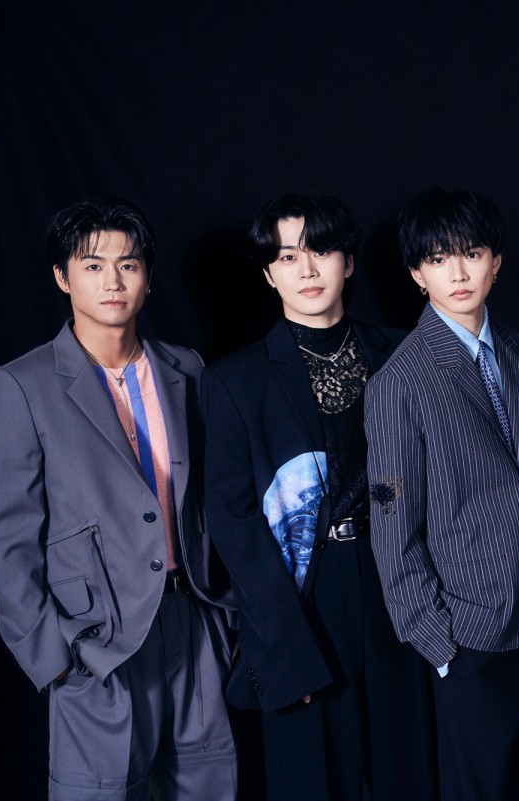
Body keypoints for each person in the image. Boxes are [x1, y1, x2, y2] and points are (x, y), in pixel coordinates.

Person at [0, 198, 238, 800]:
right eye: (93, 266)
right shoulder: (20, 385)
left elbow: (211, 500)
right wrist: (54, 655)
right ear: (62, 278)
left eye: (129, 264)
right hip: (96, 636)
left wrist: (224, 619)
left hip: (192, 617)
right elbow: (7, 533)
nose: (113, 281)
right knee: (99, 790)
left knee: (207, 786)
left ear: (147, 277)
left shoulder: (187, 368)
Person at [199, 191, 436, 801]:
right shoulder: (235, 379)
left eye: (322, 250)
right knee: (312, 779)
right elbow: (233, 523)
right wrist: (284, 649)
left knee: (410, 774)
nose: (306, 269)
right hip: (304, 598)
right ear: (268, 274)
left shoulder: (404, 352)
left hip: (397, 583)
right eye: (287, 257)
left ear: (348, 262)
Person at [365, 187, 519, 801]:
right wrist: (436, 639)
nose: (457, 273)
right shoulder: (400, 379)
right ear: (416, 274)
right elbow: (392, 522)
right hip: (469, 626)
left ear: (495, 262)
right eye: (438, 259)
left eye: (471, 254)